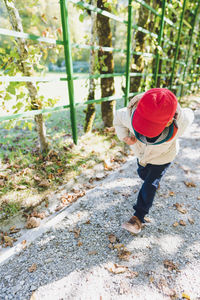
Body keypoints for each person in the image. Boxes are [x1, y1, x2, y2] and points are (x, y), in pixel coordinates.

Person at [113, 88, 194, 234]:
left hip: (163, 157)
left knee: (150, 183)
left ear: (170, 121)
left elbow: (189, 113)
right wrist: (124, 136)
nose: (144, 132)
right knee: (143, 174)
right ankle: (151, 183)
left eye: (149, 128)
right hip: (142, 154)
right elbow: (118, 118)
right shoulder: (130, 113)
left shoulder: (181, 122)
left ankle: (138, 217)